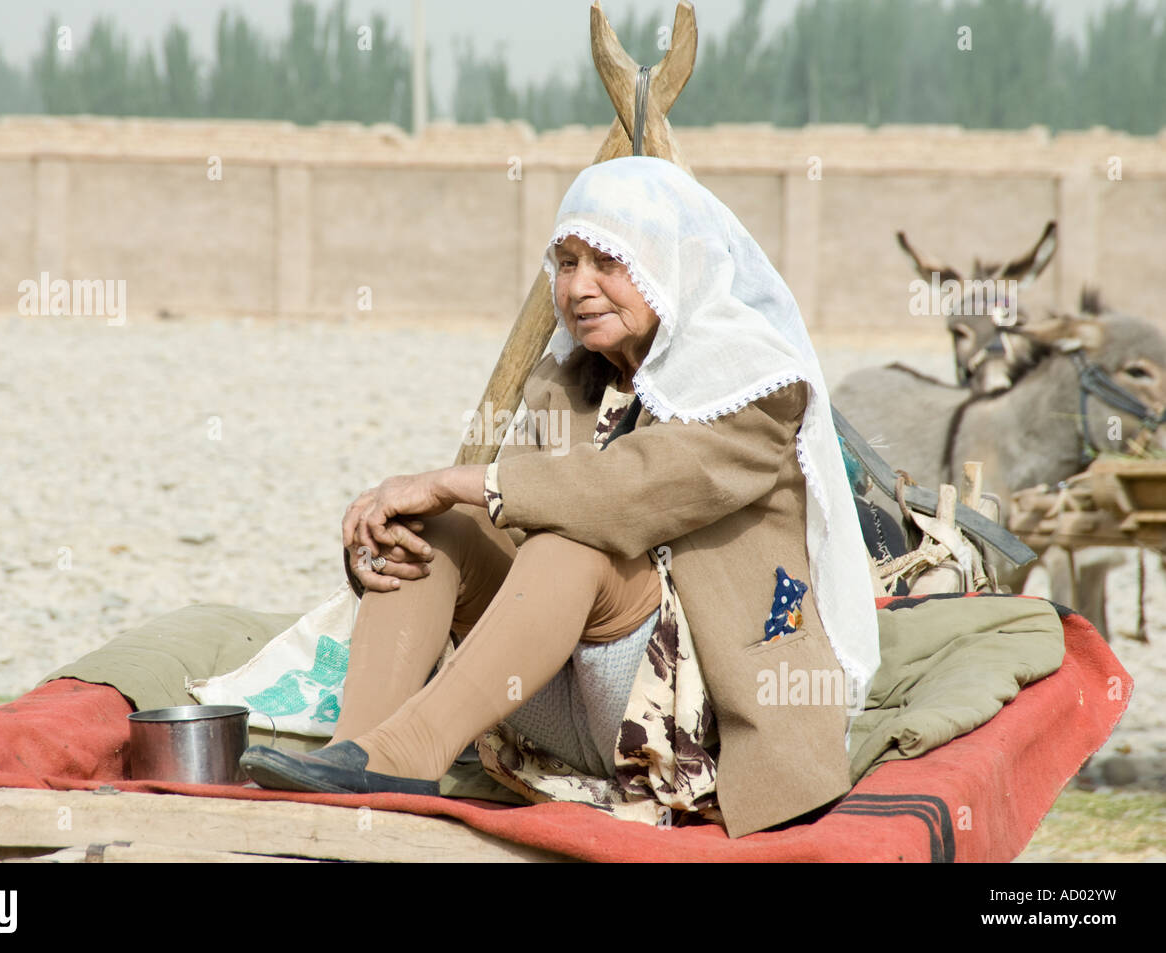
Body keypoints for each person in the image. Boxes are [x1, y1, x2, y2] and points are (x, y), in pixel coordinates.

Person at [241, 155, 881, 838]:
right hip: (559, 696)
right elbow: (508, 527)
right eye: (566, 263)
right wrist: (392, 534)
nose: (580, 287)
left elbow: (624, 493)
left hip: (694, 718)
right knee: (441, 528)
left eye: (608, 262)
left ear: (670, 264)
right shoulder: (570, 379)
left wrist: (451, 478)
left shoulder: (754, 387)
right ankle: (361, 751)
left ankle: (411, 753)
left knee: (571, 537)